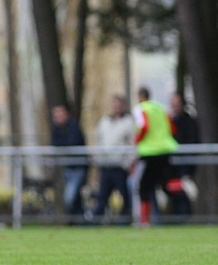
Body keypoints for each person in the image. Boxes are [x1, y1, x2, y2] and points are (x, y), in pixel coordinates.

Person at [131, 86, 179, 226]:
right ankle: (182, 185)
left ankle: (145, 221)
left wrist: (137, 140)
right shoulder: (160, 108)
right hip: (165, 149)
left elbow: (144, 126)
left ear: (140, 97)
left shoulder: (140, 109)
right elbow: (172, 127)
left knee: (143, 186)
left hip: (149, 152)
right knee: (165, 184)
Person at [90, 95, 134, 224]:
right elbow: (99, 141)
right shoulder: (104, 121)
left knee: (125, 196)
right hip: (106, 166)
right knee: (102, 197)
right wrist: (98, 159)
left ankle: (125, 221)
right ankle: (94, 222)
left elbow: (132, 143)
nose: (116, 107)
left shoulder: (128, 122)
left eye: (119, 104)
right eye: (114, 104)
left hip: (120, 166)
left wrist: (128, 163)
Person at [51, 103, 87, 222]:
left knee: (70, 197)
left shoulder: (73, 126)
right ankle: (78, 221)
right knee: (75, 198)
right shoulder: (56, 128)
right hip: (67, 167)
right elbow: (55, 143)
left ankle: (75, 220)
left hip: (78, 167)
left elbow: (71, 142)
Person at [167, 92, 197, 217]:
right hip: (172, 166)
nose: (175, 106)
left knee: (184, 194)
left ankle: (184, 218)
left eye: (177, 103)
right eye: (173, 104)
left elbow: (193, 142)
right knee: (173, 193)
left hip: (185, 165)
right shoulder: (170, 121)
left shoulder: (189, 122)